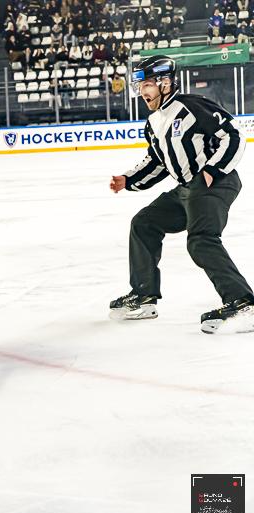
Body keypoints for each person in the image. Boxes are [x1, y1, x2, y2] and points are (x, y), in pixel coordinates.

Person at [108, 56, 253, 333]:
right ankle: (144, 296)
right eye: (140, 86)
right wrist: (128, 180)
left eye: (147, 84)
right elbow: (157, 161)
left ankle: (243, 303)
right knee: (144, 223)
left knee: (201, 240)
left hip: (213, 184)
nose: (142, 92)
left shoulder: (191, 106)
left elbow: (233, 134)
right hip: (187, 189)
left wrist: (213, 170)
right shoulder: (153, 122)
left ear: (165, 82)